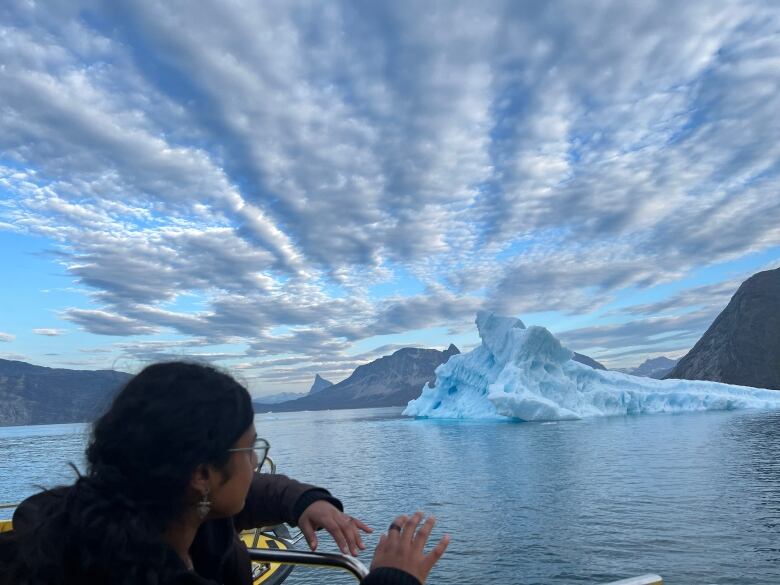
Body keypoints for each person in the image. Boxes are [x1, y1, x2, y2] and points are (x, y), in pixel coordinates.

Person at [0, 362, 448, 585]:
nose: (255, 462)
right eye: (250, 448)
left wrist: (302, 500)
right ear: (201, 474)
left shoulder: (85, 524)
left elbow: (244, 494)